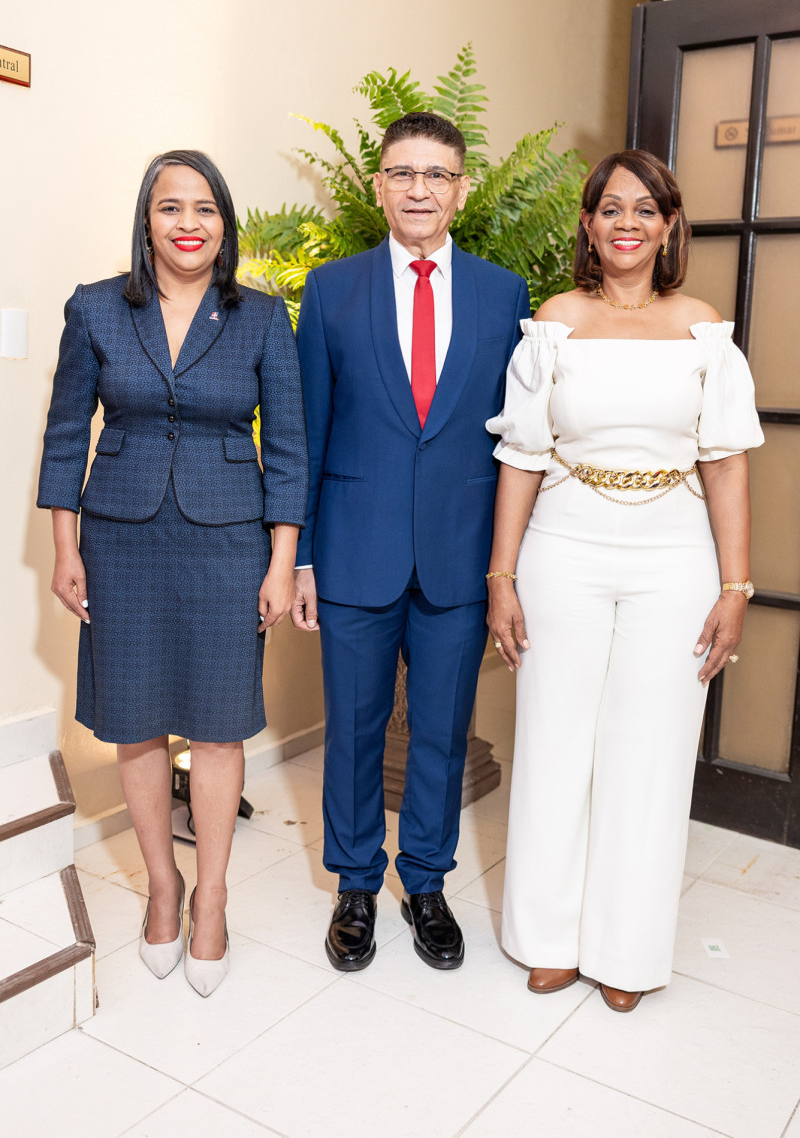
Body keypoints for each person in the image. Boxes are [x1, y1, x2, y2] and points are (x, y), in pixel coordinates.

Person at [486, 149, 764, 1012]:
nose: (628, 223)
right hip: (562, 547)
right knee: (556, 734)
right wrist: (503, 573)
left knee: (650, 746)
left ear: (670, 226)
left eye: (646, 209)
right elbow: (521, 458)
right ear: (588, 224)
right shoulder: (555, 322)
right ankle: (547, 937)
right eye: (611, 208)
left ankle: (627, 949)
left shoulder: (704, 330)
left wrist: (736, 586)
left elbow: (726, 467)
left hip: (673, 555)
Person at [38, 150, 307, 996]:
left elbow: (291, 449)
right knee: (137, 721)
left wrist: (282, 559)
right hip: (120, 538)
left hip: (229, 540)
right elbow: (63, 434)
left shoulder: (262, 318)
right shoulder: (95, 309)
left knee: (221, 725)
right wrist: (66, 545)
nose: (188, 222)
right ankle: (164, 884)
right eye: (170, 207)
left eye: (205, 208)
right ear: (146, 220)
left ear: (225, 224)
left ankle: (215, 894)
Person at [291, 111, 530, 972]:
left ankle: (425, 881)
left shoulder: (506, 296)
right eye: (403, 174)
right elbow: (305, 436)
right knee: (352, 729)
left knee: (439, 728)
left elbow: (519, 443)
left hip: (461, 555)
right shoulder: (331, 289)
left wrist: (509, 563)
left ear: (460, 189)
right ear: (380, 187)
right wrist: (305, 556)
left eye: (437, 175)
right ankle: (355, 884)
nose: (420, 189)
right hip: (354, 550)